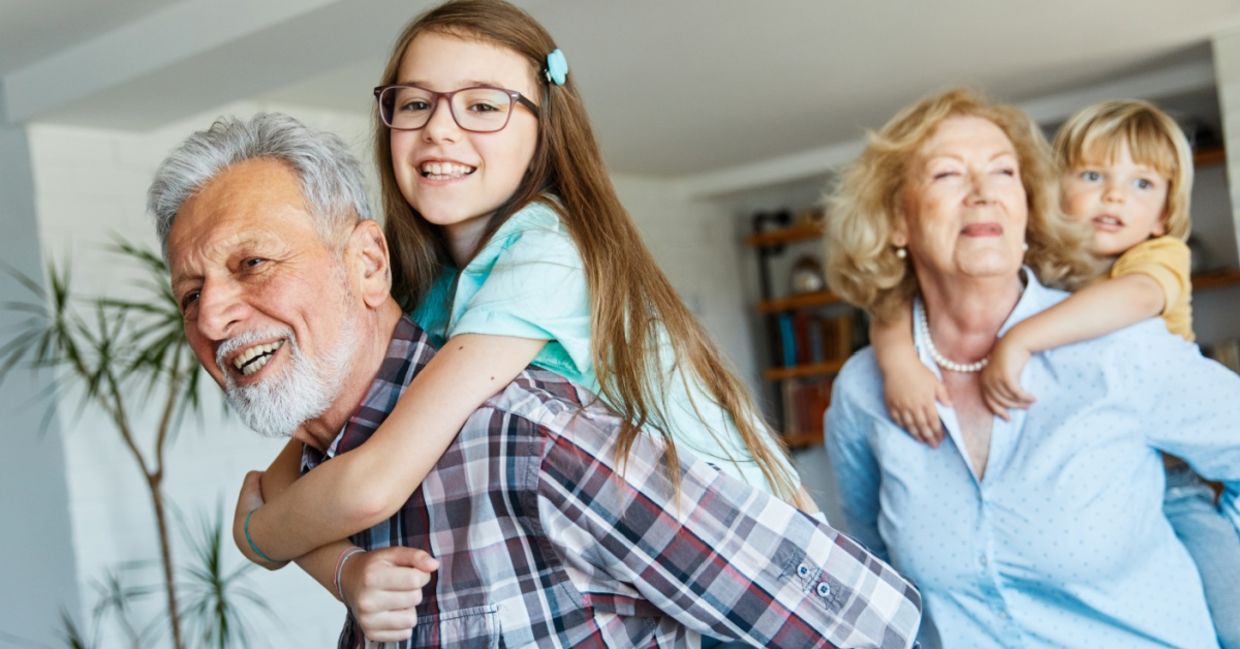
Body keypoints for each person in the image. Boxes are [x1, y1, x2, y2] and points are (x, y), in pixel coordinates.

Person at [149, 111, 923, 647]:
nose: (213, 316)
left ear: (368, 263)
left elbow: (861, 623)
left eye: (253, 263)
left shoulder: (529, 438)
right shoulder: (316, 483)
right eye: (190, 294)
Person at [232, 0, 816, 597]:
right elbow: (295, 476)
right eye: (415, 103)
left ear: (543, 133)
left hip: (757, 564)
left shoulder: (546, 251)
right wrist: (340, 567)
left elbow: (368, 484)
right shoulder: (429, 290)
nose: (439, 127)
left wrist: (260, 539)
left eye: (482, 105)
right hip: (656, 576)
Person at [822, 88, 1240, 648]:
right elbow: (875, 569)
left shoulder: (1118, 348)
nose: (982, 194)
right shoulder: (863, 392)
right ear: (897, 219)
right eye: (948, 175)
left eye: (1003, 172)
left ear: (1029, 205)